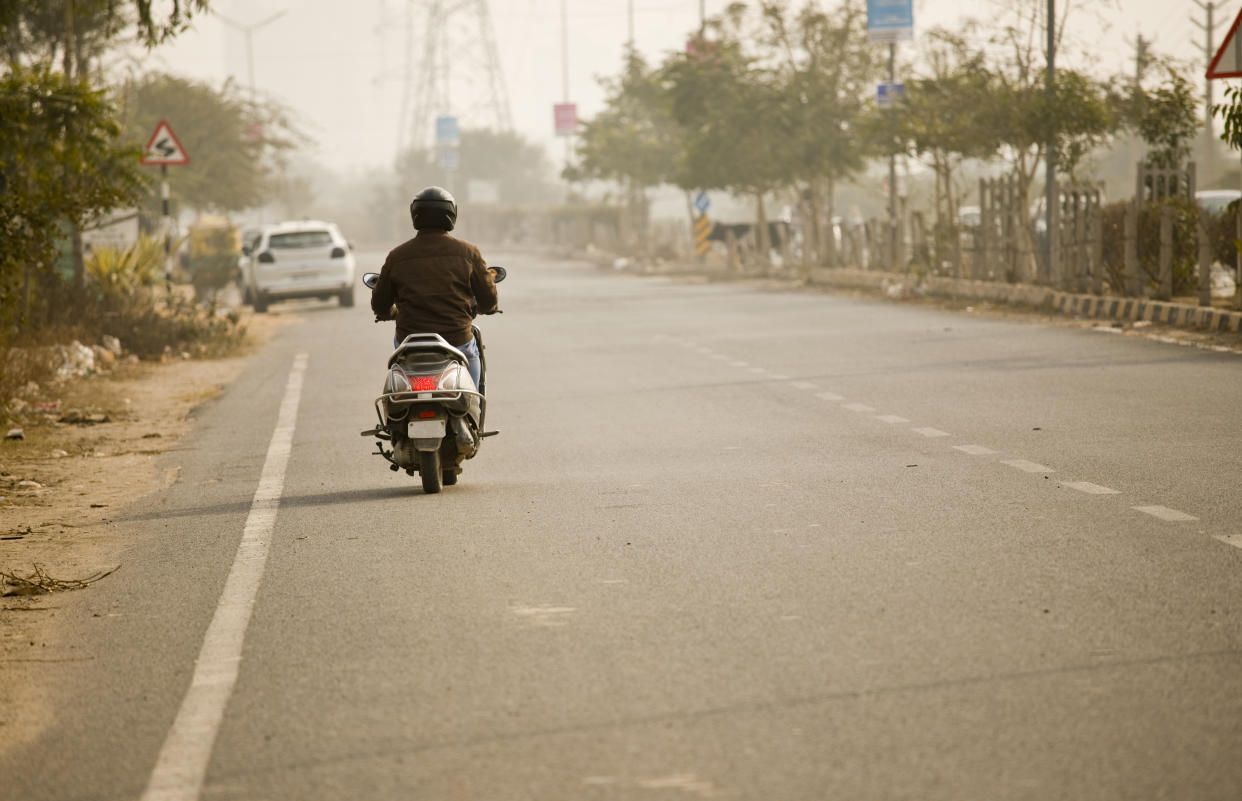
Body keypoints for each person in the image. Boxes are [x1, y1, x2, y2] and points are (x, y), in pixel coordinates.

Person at [370, 186, 498, 391]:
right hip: (457, 341)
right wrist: (484, 308)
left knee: (397, 378)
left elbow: (379, 303)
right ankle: (473, 413)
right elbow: (489, 300)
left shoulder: (397, 256)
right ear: (451, 214)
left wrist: (390, 313)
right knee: (472, 386)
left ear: (415, 215)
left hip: (410, 344)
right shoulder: (468, 252)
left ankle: (395, 421)